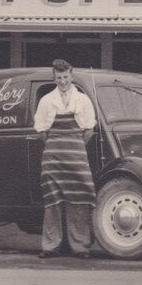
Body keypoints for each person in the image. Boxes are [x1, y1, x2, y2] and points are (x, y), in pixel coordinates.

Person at [33, 59, 97, 259]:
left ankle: (80, 247)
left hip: (77, 154)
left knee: (79, 197)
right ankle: (50, 247)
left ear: (72, 76)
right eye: (58, 78)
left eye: (65, 77)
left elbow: (89, 130)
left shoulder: (83, 100)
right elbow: (42, 131)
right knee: (52, 200)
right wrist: (56, 144)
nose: (62, 81)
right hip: (53, 156)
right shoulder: (46, 100)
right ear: (54, 78)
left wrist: (74, 144)